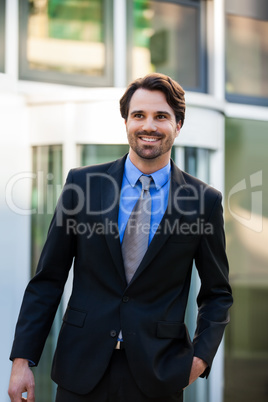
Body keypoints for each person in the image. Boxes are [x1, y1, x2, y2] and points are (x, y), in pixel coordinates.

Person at [8, 73, 233, 402]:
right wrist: (22, 360)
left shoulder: (204, 202)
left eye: (161, 116)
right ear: (126, 121)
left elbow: (217, 294)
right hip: (80, 368)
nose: (149, 126)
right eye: (139, 115)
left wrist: (199, 360)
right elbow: (48, 279)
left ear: (178, 125)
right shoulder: (83, 185)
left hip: (159, 374)